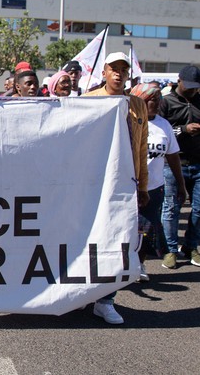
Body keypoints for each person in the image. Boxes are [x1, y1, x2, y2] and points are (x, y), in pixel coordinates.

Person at [85, 52, 149, 325]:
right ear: (104, 72)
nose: (118, 73)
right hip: (92, 184)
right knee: (89, 239)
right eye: (114, 68)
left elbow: (142, 148)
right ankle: (83, 294)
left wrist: (143, 185)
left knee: (117, 242)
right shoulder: (87, 102)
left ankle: (106, 300)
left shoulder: (137, 105)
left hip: (125, 184)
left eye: (123, 69)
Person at [130, 83, 187, 280]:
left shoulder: (164, 125)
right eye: (150, 99)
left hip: (154, 188)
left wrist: (181, 184)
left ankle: (140, 264)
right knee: (127, 229)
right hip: (128, 187)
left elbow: (172, 156)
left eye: (157, 99)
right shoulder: (127, 120)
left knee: (147, 230)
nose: (155, 103)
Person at [159, 65, 200, 268]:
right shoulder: (166, 103)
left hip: (198, 163)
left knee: (199, 210)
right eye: (189, 86)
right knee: (172, 209)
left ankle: (191, 246)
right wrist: (184, 129)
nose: (192, 90)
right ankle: (171, 250)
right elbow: (160, 131)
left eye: (196, 87)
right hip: (173, 164)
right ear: (179, 80)